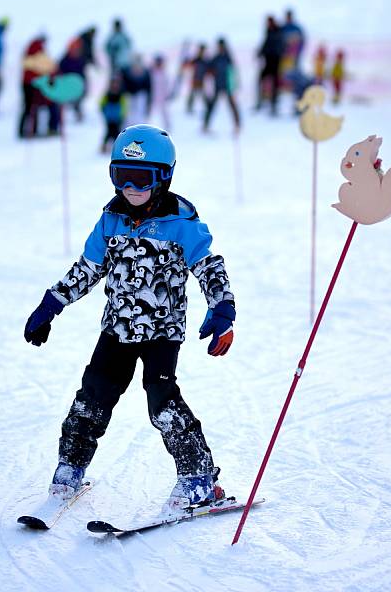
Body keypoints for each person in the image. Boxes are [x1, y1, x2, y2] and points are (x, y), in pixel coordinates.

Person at [23, 124, 236, 509]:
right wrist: (51, 304)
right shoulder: (111, 220)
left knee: (162, 402)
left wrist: (221, 307)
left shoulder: (181, 224)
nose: (132, 188)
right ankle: (70, 466)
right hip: (116, 330)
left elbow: (209, 266)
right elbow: (88, 269)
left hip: (162, 333)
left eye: (143, 178)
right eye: (123, 177)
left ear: (164, 178)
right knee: (93, 396)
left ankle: (197, 476)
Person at [18, 35, 59, 138]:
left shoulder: (30, 50)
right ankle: (31, 131)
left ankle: (26, 131)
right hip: (33, 84)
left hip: (27, 83)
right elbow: (45, 67)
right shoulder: (38, 49)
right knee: (32, 108)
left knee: (29, 108)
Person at [203, 37, 241, 131]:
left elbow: (233, 72)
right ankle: (206, 125)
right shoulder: (216, 58)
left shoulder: (228, 57)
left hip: (228, 86)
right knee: (211, 106)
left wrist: (234, 84)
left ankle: (237, 125)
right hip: (218, 85)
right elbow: (209, 69)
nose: (220, 47)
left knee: (232, 106)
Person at [255, 16, 283, 116]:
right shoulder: (268, 31)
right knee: (260, 80)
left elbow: (277, 46)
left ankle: (274, 104)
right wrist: (260, 52)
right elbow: (265, 43)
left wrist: (270, 53)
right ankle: (260, 101)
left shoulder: (278, 31)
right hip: (268, 62)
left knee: (275, 84)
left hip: (275, 62)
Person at [99, 74, 126, 153]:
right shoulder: (107, 94)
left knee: (117, 133)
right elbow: (102, 103)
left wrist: (122, 115)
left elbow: (124, 105)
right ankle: (105, 147)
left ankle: (118, 148)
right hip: (109, 117)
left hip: (117, 117)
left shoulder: (121, 94)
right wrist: (104, 112)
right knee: (108, 132)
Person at [121, 54, 151, 125]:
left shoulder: (145, 72)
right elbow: (124, 83)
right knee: (128, 115)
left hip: (141, 95)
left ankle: (140, 129)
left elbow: (148, 86)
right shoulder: (126, 71)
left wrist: (149, 100)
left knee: (140, 115)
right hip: (129, 95)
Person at [185, 43, 211, 114]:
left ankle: (208, 108)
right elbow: (188, 65)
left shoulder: (205, 61)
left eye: (203, 50)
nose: (201, 52)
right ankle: (189, 108)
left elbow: (209, 70)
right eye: (201, 50)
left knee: (203, 95)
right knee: (192, 95)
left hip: (201, 81)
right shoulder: (196, 60)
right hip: (195, 80)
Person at [149, 54, 172, 130]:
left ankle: (168, 127)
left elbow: (167, 85)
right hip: (153, 96)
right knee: (150, 113)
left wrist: (167, 94)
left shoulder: (164, 73)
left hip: (162, 96)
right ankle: (147, 127)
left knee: (165, 113)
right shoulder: (151, 72)